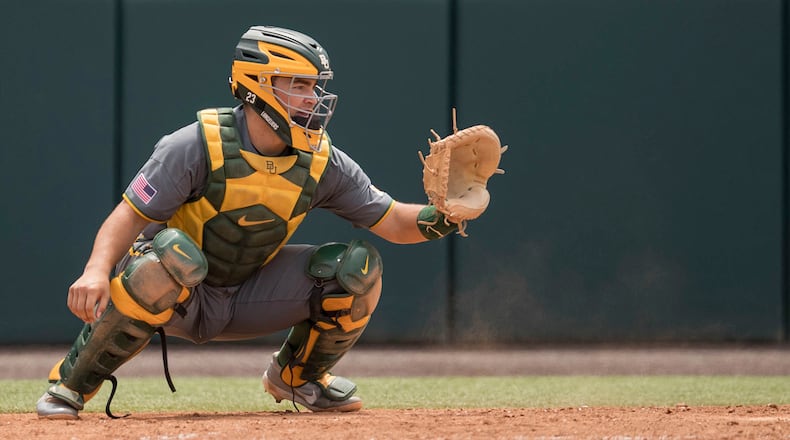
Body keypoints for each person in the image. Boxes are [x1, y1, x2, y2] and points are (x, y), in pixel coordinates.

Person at [36, 25, 465, 419]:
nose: (312, 98)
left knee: (355, 270)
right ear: (258, 85)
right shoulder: (194, 145)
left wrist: (447, 214)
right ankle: (70, 385)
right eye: (299, 85)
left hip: (247, 293)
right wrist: (95, 270)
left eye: (315, 86)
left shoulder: (322, 161)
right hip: (177, 296)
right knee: (165, 260)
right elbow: (129, 215)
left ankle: (297, 377)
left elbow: (391, 221)